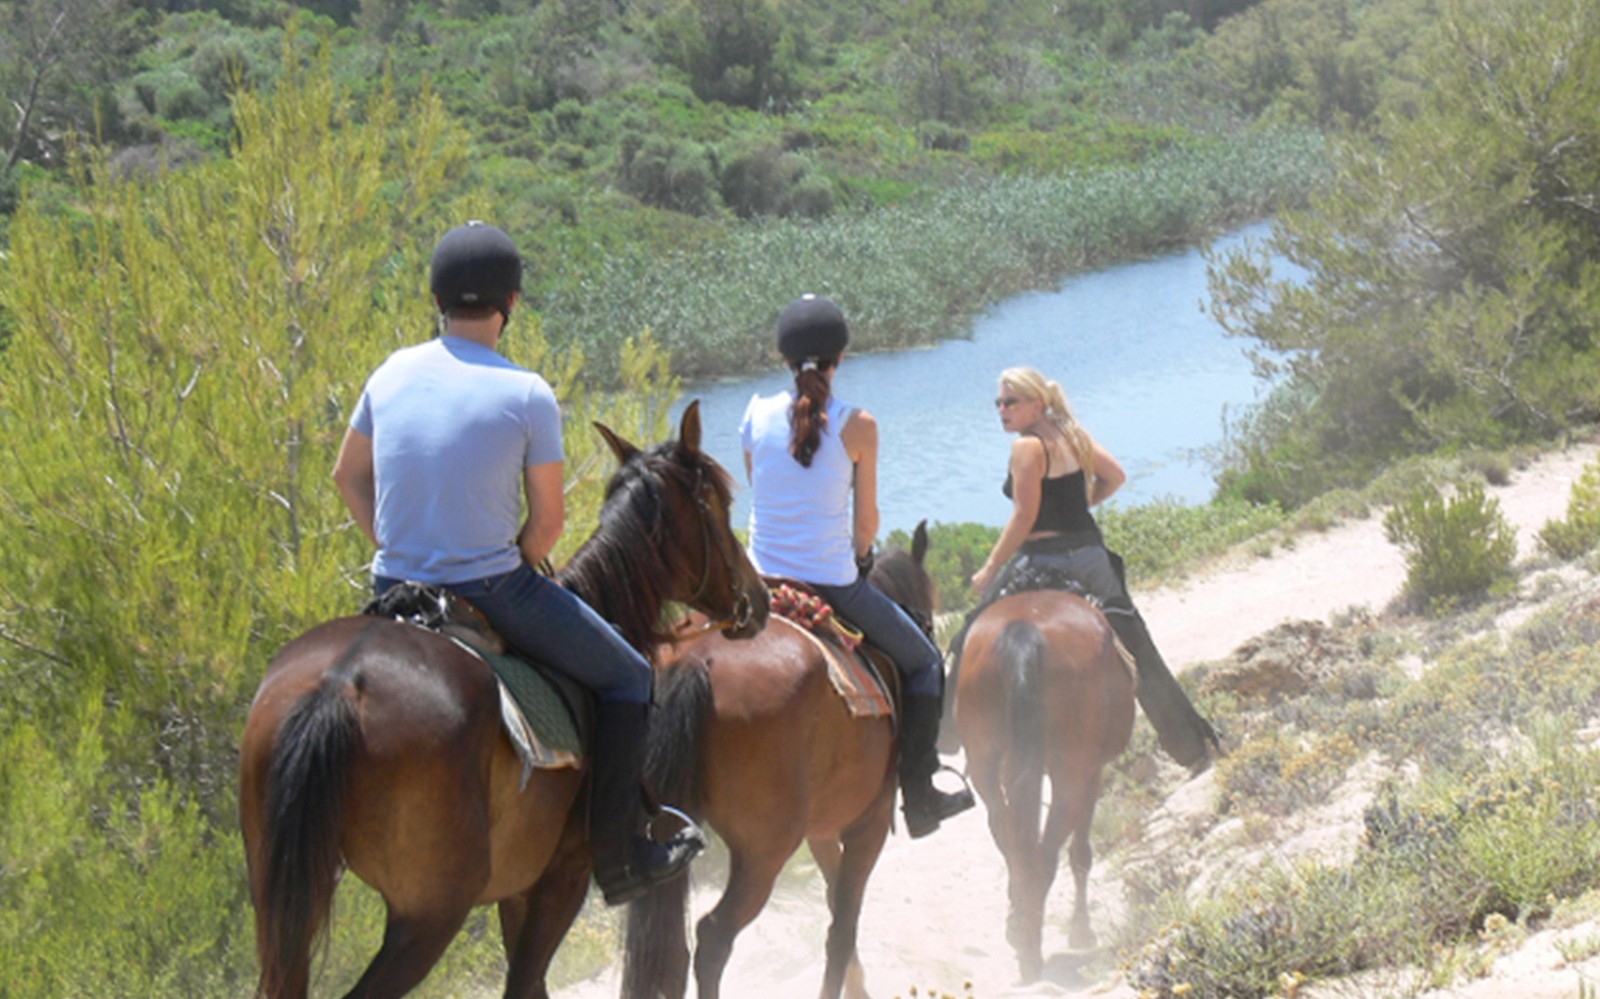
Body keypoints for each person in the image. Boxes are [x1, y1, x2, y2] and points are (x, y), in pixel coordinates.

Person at [331, 220, 704, 905]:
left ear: (436, 299)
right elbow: (549, 524)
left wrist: (390, 545)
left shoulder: (389, 373)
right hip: (491, 585)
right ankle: (621, 857)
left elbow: (346, 475)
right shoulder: (527, 392)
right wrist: (519, 563)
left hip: (393, 585)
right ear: (511, 302)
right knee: (627, 675)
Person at [740, 293, 975, 838]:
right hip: (832, 584)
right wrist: (862, 557)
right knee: (923, 663)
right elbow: (866, 525)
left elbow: (762, 493)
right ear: (840, 358)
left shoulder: (753, 414)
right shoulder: (859, 425)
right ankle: (920, 797)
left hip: (759, 584)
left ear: (782, 357)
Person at [967, 366, 1222, 775]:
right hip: (1091, 556)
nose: (1002, 410)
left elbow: (1023, 516)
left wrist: (989, 568)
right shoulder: (1071, 434)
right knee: (1139, 649)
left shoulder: (1026, 447)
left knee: (973, 633)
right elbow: (1115, 476)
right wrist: (1076, 507)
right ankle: (1194, 748)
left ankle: (954, 737)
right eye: (998, 403)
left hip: (1043, 559)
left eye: (1010, 402)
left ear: (1037, 404)